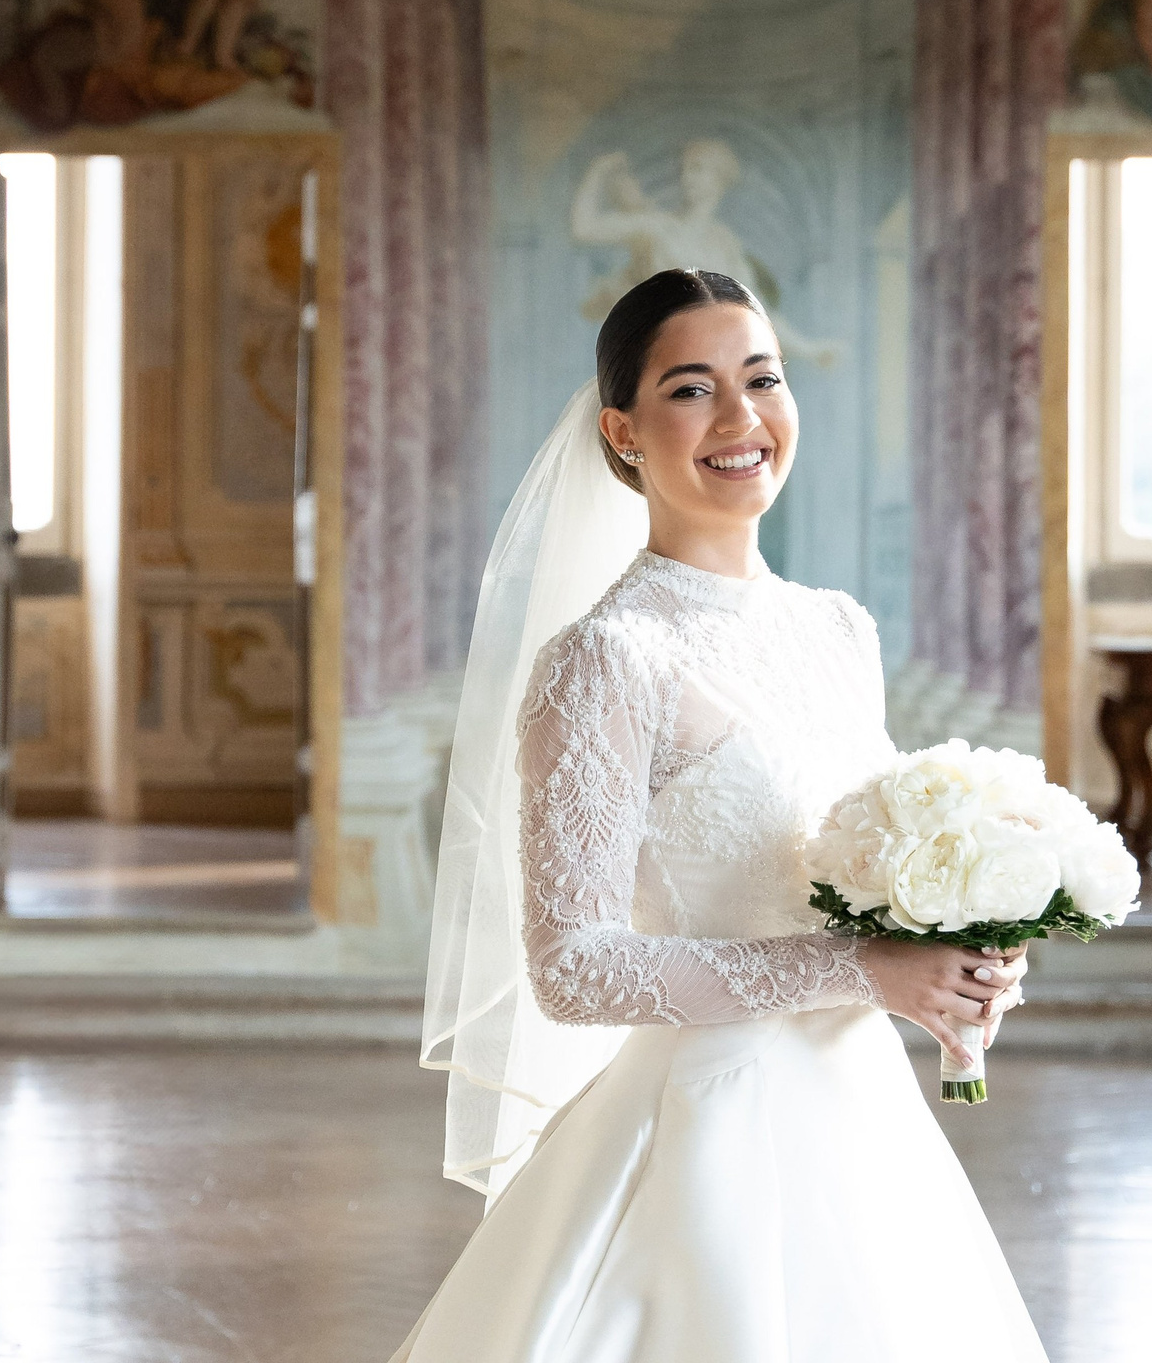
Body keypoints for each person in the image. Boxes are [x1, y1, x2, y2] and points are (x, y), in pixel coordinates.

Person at [397, 270, 1044, 1361]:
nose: (742, 418)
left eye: (763, 379)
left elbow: (862, 877)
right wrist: (863, 970)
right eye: (692, 389)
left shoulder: (839, 631)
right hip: (708, 1136)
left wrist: (952, 953)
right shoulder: (606, 659)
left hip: (866, 1130)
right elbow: (575, 968)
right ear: (624, 432)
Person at [570, 144, 845, 367]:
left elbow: (758, 313)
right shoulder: (656, 226)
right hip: (655, 354)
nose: (686, 177)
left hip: (708, 359)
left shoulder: (725, 245)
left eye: (697, 169)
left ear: (718, 180)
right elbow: (583, 229)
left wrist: (810, 350)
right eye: (684, 169)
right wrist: (599, 171)